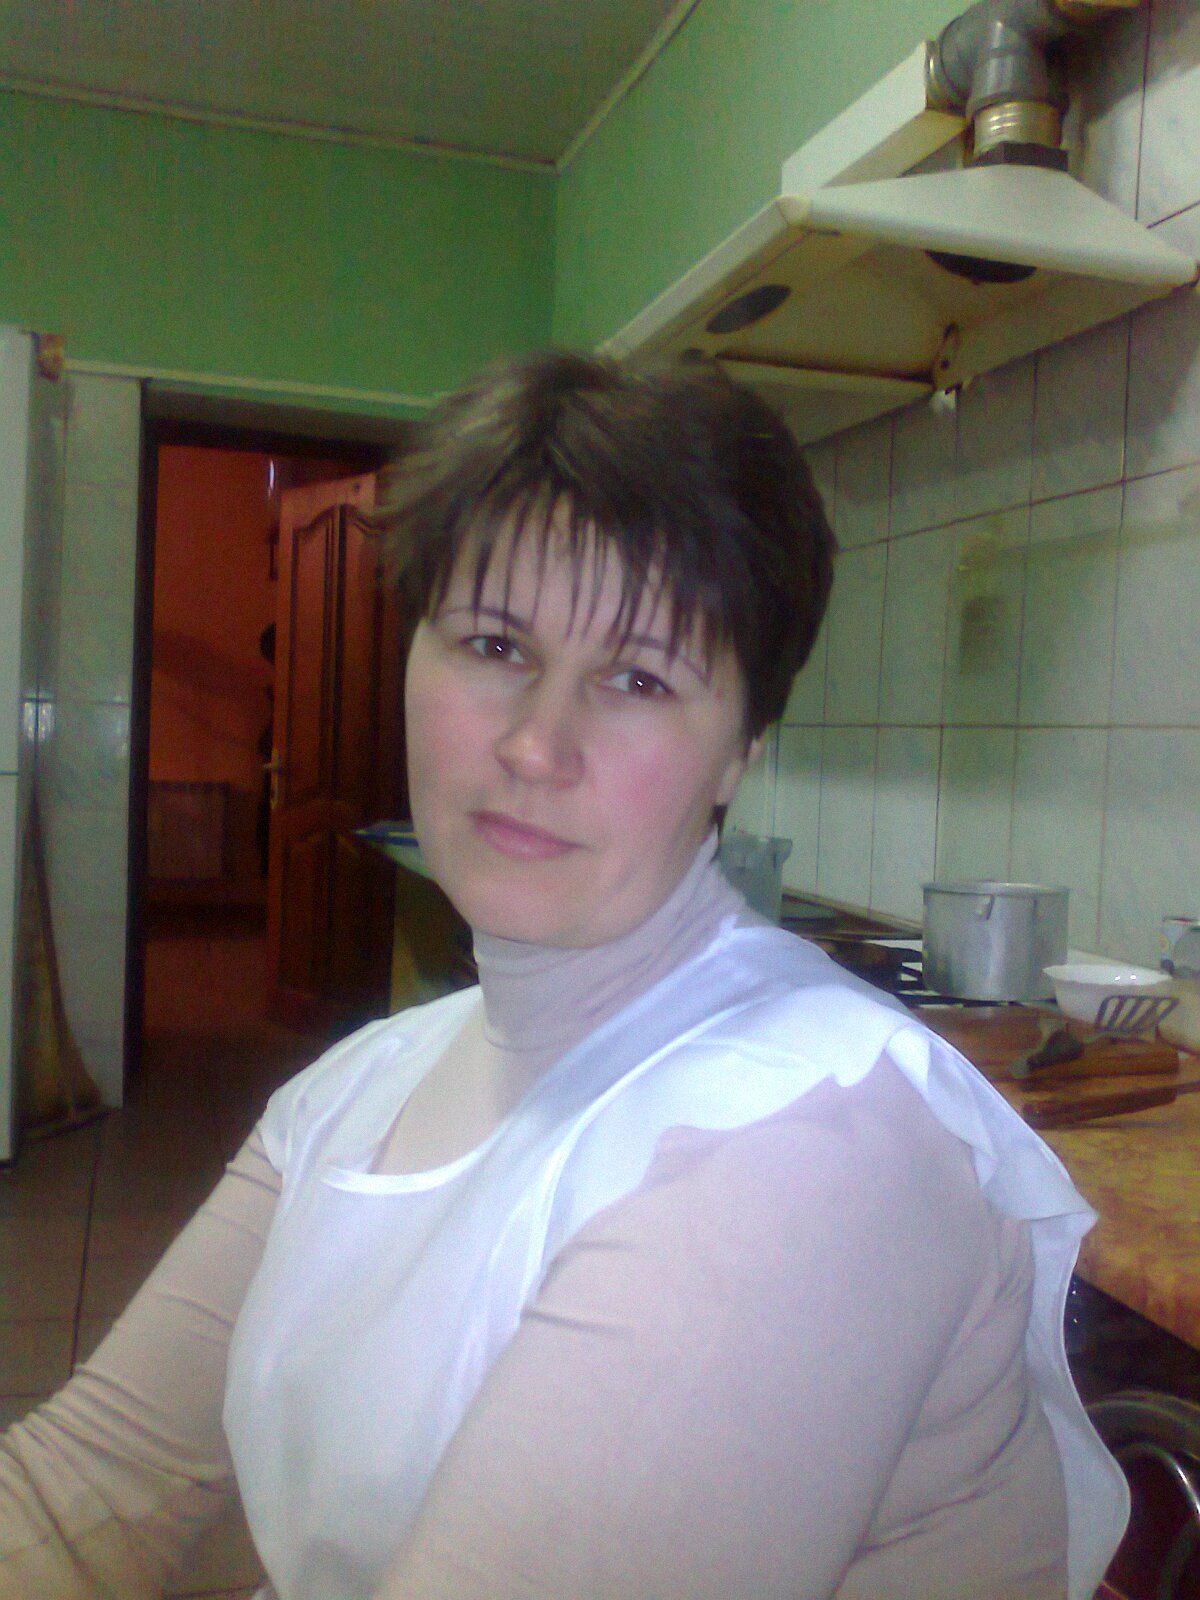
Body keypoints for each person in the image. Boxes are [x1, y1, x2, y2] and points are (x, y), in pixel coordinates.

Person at [0, 352, 1127, 1600]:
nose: (537, 744)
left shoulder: (807, 1131)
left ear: (741, 752)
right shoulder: (364, 1084)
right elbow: (81, 1493)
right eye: (495, 643)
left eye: (639, 678)